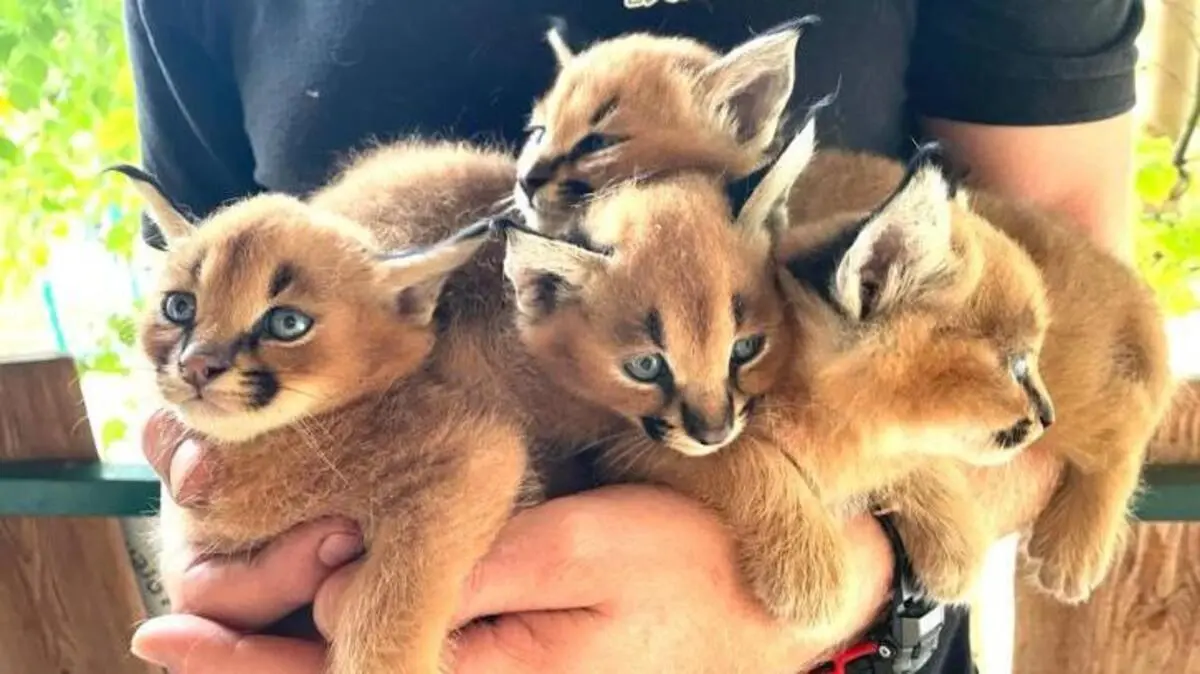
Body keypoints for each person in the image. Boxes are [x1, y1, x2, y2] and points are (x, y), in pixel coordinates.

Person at [122, 1, 1144, 672]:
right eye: (543, 147)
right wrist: (215, 518)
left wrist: (874, 563)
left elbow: (1070, 322)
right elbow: (208, 298)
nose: (538, 179)